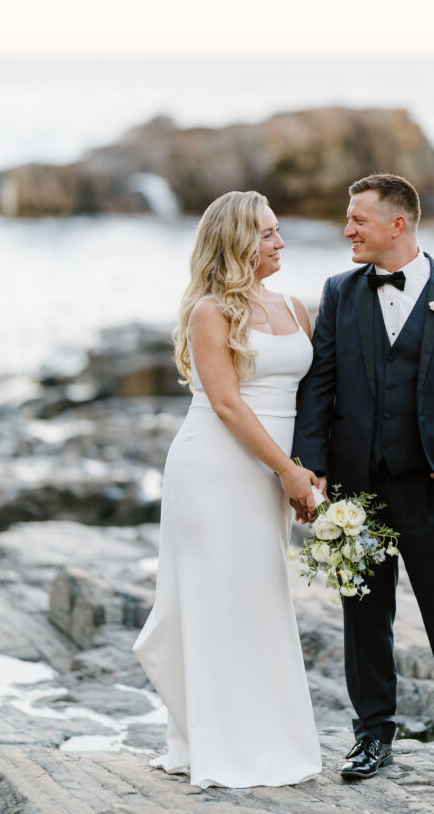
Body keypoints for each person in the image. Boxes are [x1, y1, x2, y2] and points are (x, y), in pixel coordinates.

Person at [293, 173, 434, 782]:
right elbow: (319, 388)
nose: (347, 231)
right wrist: (311, 470)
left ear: (398, 224)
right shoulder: (340, 291)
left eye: (357, 220)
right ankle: (372, 736)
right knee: (364, 618)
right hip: (357, 491)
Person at [133, 190, 323, 789]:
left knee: (261, 596)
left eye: (278, 230)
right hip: (216, 470)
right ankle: (221, 745)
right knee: (219, 600)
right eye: (268, 234)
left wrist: (310, 467)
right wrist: (287, 472)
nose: (280, 242)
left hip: (271, 473)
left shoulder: (296, 305)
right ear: (239, 242)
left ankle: (269, 736)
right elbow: (227, 406)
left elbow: (314, 398)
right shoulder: (210, 312)